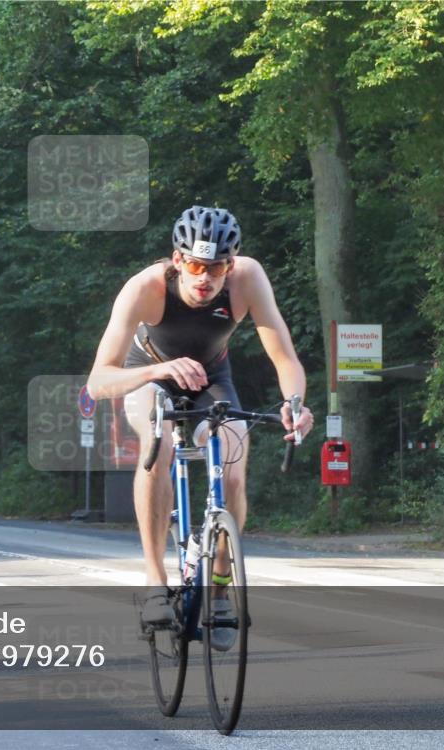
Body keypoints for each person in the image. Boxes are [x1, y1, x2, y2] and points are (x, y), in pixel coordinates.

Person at [86, 205, 314, 633]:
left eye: (217, 267)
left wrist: (295, 403)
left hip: (211, 377)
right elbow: (99, 381)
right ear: (177, 260)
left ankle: (220, 586)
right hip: (148, 374)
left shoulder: (248, 279)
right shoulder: (145, 288)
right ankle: (156, 581)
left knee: (233, 459)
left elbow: (284, 356)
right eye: (194, 264)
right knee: (161, 440)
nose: (205, 277)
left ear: (231, 264)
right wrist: (158, 370)